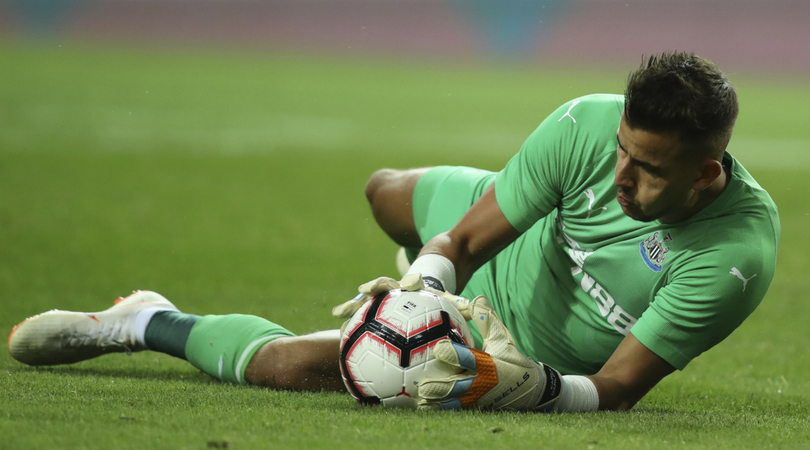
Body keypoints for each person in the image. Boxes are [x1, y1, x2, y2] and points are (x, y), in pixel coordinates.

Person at [7, 51, 780, 413]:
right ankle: (451, 241)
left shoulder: (732, 259)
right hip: (502, 241)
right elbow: (469, 242)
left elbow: (617, 390)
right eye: (621, 152)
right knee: (384, 195)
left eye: (645, 171)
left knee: (283, 368)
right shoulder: (585, 125)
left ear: (705, 175)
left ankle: (144, 317)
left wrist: (523, 387)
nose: (621, 180)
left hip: (514, 349)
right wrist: (428, 284)